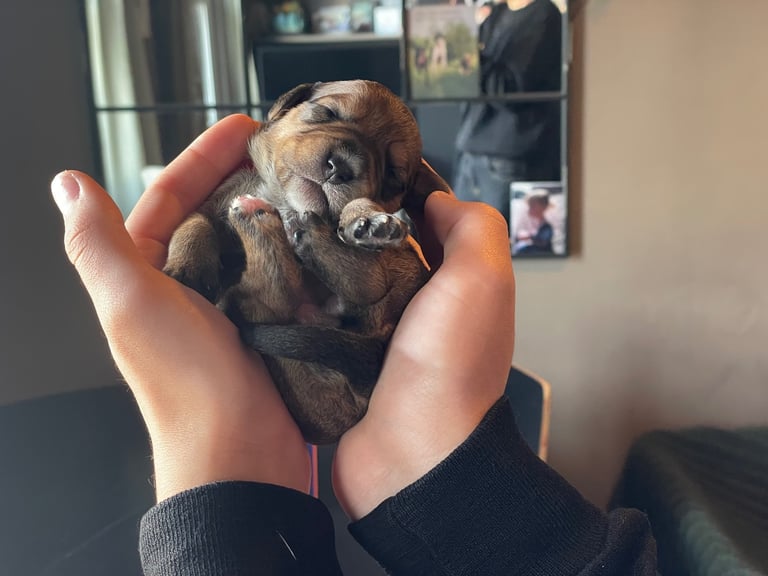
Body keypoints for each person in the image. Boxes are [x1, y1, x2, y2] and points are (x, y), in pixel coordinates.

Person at [50, 114, 657, 575]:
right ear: (285, 112)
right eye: (322, 116)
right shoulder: (248, 180)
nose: (342, 157)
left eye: (390, 171)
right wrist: (438, 457)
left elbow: (366, 284)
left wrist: (222, 477)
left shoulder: (357, 227)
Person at [453, 0, 562, 224]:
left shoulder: (544, 15)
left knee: (498, 243)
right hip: (471, 155)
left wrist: (468, 48)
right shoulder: (497, 13)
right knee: (460, 242)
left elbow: (509, 91)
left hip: (507, 160)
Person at [513, 189, 554, 254]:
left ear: (543, 207)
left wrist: (529, 236)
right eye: (529, 206)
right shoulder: (535, 223)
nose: (529, 209)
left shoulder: (546, 226)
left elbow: (543, 241)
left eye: (533, 206)